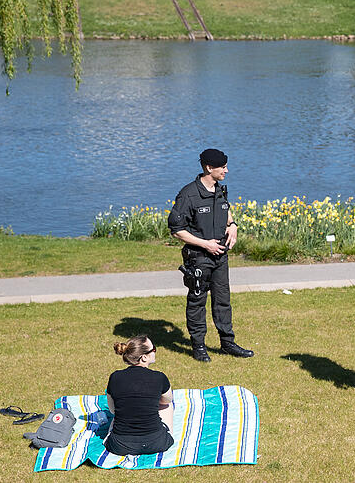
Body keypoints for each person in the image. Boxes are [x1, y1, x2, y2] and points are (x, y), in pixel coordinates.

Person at [168, 148, 254, 362]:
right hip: (198, 258)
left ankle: (227, 343)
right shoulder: (188, 194)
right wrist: (205, 244)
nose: (227, 170)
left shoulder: (219, 190)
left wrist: (232, 224)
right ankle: (198, 347)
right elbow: (177, 229)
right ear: (209, 168)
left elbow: (225, 209)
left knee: (223, 300)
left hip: (220, 257)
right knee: (197, 302)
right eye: (222, 167)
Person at [104, 335, 175, 456]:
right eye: (154, 350)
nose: (155, 352)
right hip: (157, 443)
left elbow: (112, 410)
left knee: (120, 412)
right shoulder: (159, 377)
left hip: (120, 446)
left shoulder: (115, 377)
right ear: (144, 357)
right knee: (167, 406)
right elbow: (167, 400)